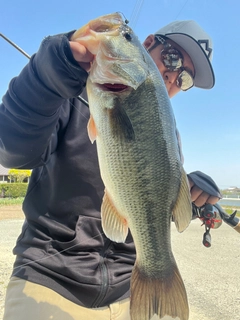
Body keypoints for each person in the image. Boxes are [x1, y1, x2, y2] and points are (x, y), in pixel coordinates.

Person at [1, 16, 221, 320]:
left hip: (128, 292)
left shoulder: (172, 137)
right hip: (50, 281)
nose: (174, 76)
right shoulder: (65, 96)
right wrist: (44, 76)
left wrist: (187, 192)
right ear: (146, 46)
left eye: (185, 78)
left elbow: (149, 210)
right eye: (172, 58)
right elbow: (12, 150)